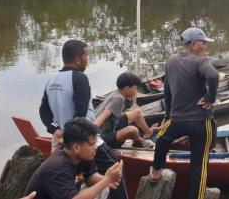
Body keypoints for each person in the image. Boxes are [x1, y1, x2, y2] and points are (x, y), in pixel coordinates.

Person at [39, 40, 127, 199]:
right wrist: (72, 136)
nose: (88, 59)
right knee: (115, 166)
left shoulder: (51, 80)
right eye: (86, 55)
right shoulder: (79, 78)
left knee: (84, 173)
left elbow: (43, 112)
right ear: (77, 59)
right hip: (83, 138)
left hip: (64, 139)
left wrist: (56, 130)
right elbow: (80, 114)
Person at [149, 27, 219, 199]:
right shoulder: (201, 61)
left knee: (162, 139)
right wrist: (210, 96)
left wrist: (167, 116)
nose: (205, 47)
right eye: (203, 43)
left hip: (177, 120)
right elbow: (214, 76)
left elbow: (167, 92)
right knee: (199, 166)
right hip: (202, 122)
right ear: (194, 44)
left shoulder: (171, 60)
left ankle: (156, 169)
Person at [24, 118, 123, 199]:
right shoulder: (58, 167)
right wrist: (106, 180)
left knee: (103, 188)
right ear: (76, 147)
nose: (96, 147)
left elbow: (89, 177)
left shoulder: (83, 156)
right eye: (92, 144)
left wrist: (108, 179)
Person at [94, 72, 154, 149]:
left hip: (112, 127)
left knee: (137, 113)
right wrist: (91, 133)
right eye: (135, 88)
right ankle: (138, 142)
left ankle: (148, 132)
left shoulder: (116, 93)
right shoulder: (118, 99)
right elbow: (104, 115)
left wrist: (126, 113)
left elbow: (112, 114)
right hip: (104, 137)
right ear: (127, 89)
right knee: (133, 130)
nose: (136, 91)